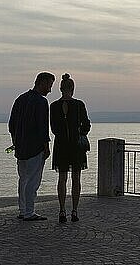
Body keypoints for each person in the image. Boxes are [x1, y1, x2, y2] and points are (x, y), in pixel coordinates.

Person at [8, 72, 55, 221]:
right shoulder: (41, 102)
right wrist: (46, 146)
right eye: (49, 85)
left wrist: (15, 142)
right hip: (34, 148)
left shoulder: (20, 99)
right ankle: (29, 211)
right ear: (41, 83)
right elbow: (42, 127)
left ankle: (23, 210)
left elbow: (11, 125)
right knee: (33, 180)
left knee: (23, 179)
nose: (50, 90)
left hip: (21, 148)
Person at [50, 73, 91, 223]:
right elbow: (87, 125)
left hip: (61, 145)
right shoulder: (79, 105)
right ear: (72, 88)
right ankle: (74, 211)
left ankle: (62, 210)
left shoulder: (53, 106)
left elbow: (54, 128)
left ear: (60, 89)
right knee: (76, 178)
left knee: (62, 178)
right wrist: (80, 133)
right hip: (76, 146)